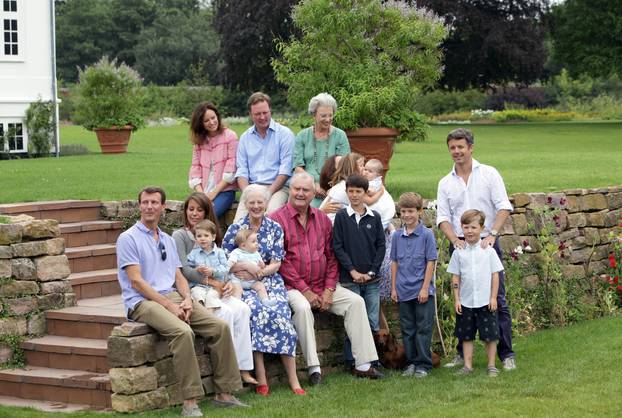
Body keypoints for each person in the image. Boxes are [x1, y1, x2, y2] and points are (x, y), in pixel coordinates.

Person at [117, 187, 246, 417]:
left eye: (154, 202)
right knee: (183, 332)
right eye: (145, 202)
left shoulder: (166, 239)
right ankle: (190, 401)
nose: (149, 207)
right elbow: (136, 282)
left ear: (163, 207)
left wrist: (186, 299)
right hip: (142, 302)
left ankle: (224, 394)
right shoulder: (128, 239)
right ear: (139, 206)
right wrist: (170, 305)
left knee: (220, 327)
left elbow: (179, 276)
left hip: (174, 296)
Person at [271, 172, 383, 386]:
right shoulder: (277, 219)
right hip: (292, 287)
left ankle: (363, 365)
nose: (301, 194)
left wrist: (329, 289)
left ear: (314, 193)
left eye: (306, 190)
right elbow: (281, 261)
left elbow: (332, 257)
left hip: (323, 284)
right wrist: (306, 290)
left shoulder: (321, 219)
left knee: (356, 302)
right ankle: (315, 370)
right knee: (303, 309)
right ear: (290, 191)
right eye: (297, 189)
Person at [436, 127, 516, 370]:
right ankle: (463, 356)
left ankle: (506, 354)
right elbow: (443, 217)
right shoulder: (445, 182)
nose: (457, 151)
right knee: (463, 303)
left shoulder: (489, 174)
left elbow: (503, 207)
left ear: (471, 148)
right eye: (452, 147)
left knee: (496, 301)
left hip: (485, 245)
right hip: (460, 247)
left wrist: (491, 235)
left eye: (461, 147)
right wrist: (454, 240)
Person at [222, 184, 305, 396]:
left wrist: (259, 272)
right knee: (255, 313)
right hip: (241, 283)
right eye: (252, 202)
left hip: (268, 281)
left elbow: (277, 263)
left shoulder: (275, 228)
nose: (256, 206)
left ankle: (294, 379)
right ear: (246, 204)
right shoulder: (235, 228)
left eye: (260, 202)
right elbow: (225, 261)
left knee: (280, 313)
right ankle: (261, 376)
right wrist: (246, 267)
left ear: (266, 204)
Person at [172, 193, 256, 387]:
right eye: (190, 209)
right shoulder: (180, 236)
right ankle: (229, 373)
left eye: (199, 210)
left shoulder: (210, 233)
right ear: (185, 211)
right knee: (224, 313)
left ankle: (243, 368)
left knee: (242, 309)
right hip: (195, 288)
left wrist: (225, 282)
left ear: (207, 212)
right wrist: (212, 283)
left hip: (216, 287)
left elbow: (222, 265)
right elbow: (185, 269)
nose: (194, 213)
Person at [332, 173, 386, 368]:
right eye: (351, 191)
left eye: (358, 191)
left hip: (371, 280)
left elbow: (381, 246)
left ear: (365, 193)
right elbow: (337, 246)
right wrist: (353, 271)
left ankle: (373, 359)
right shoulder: (341, 217)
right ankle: (351, 359)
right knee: (353, 321)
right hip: (349, 279)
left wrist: (371, 272)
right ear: (346, 193)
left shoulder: (375, 217)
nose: (354, 195)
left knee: (372, 320)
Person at [447, 209, 502, 377]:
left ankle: (491, 365)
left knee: (490, 335)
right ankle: (468, 365)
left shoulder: (488, 251)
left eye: (473, 227)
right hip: (466, 302)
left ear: (482, 228)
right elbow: (456, 277)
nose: (469, 231)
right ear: (461, 228)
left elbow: (495, 275)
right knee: (466, 335)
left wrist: (493, 297)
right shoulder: (458, 252)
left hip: (486, 301)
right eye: (465, 227)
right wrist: (457, 299)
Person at [390, 192, 438, 378]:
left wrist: (425, 287)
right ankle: (410, 362)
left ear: (420, 212)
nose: (407, 215)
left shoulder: (427, 235)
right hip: (403, 290)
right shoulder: (396, 237)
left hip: (422, 290)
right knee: (407, 328)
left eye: (411, 211)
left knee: (423, 329)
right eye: (403, 211)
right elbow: (394, 262)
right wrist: (394, 287)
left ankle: (423, 364)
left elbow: (430, 262)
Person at [234, 92, 295, 221]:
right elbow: (242, 171)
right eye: (257, 114)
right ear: (250, 115)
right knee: (238, 224)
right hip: (252, 188)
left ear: (270, 110)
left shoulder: (285, 134)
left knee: (270, 217)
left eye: (265, 112)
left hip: (278, 188)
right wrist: (247, 193)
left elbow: (286, 170)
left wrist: (268, 192)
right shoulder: (245, 138)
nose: (262, 117)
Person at [293, 93, 351, 207]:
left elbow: (345, 167)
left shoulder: (340, 136)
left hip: (334, 189)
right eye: (323, 116)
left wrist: (333, 189)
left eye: (331, 115)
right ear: (314, 115)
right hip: (307, 188)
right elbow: (298, 167)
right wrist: (313, 185)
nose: (328, 119)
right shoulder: (302, 136)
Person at [188, 102, 238, 217]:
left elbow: (231, 168)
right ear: (200, 124)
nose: (211, 122)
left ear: (217, 117)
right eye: (206, 121)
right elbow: (195, 169)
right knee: (192, 215)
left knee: (208, 216)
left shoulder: (230, 136)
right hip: (203, 191)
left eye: (213, 118)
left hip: (224, 191)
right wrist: (202, 195)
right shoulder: (198, 143)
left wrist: (212, 194)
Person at [227, 229, 277, 307]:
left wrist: (262, 266)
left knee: (260, 286)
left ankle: (265, 300)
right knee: (237, 289)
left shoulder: (256, 254)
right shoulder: (236, 252)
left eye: (257, 241)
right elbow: (230, 263)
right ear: (243, 245)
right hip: (238, 280)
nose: (257, 244)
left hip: (252, 281)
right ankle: (237, 303)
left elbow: (262, 266)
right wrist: (227, 268)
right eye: (253, 242)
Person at [362, 158, 396, 231]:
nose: (366, 172)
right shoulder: (374, 180)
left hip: (382, 208)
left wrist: (369, 191)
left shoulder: (374, 183)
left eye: (370, 171)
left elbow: (370, 192)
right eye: (365, 169)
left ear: (378, 174)